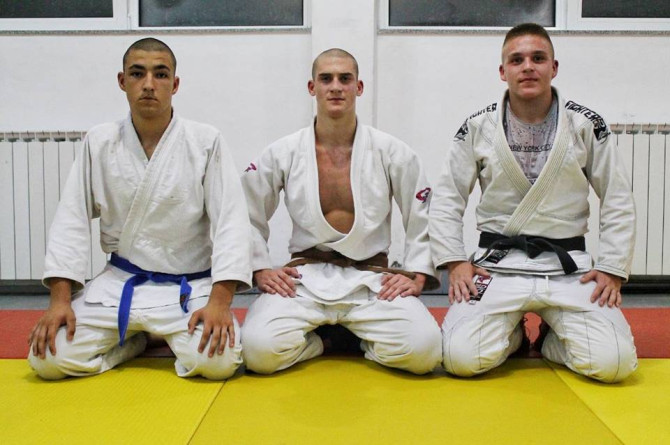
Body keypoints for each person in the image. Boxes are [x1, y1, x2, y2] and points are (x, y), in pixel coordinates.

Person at [27, 38, 252, 380]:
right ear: (122, 81)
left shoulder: (205, 141)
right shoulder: (100, 141)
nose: (149, 84)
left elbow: (231, 224)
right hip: (120, 284)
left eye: (160, 74)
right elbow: (71, 220)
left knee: (218, 362)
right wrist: (59, 301)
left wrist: (220, 302)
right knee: (47, 359)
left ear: (175, 84)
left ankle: (148, 336)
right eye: (137, 73)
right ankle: (135, 342)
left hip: (187, 288)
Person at [429, 23, 638, 383]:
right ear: (503, 71)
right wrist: (454, 261)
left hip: (568, 267)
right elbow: (448, 196)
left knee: (614, 364)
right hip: (497, 266)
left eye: (538, 58)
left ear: (553, 67)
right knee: (459, 358)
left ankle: (551, 339)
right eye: (517, 60)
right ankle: (513, 337)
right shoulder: (478, 126)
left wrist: (613, 268)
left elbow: (617, 196)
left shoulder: (586, 124)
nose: (528, 67)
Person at [240, 48, 441, 375]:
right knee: (257, 351)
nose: (336, 87)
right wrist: (259, 267)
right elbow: (247, 211)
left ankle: (355, 340)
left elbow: (422, 213)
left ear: (358, 87)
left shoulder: (391, 151)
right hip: (304, 278)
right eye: (326, 79)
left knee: (425, 350)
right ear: (312, 87)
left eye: (345, 79)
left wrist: (418, 272)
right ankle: (328, 343)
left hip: (371, 279)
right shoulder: (284, 151)